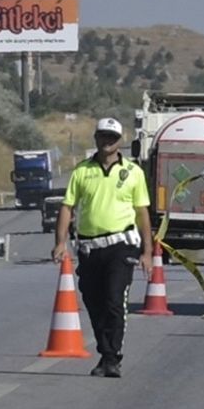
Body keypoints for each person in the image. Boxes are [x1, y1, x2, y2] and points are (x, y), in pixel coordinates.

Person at [51, 117, 153, 378]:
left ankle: (112, 356)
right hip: (90, 247)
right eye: (102, 136)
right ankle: (104, 351)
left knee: (114, 299)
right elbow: (67, 207)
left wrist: (147, 252)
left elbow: (142, 213)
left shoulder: (133, 172)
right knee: (93, 301)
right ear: (95, 138)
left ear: (120, 141)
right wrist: (60, 242)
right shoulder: (82, 171)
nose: (107, 141)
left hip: (121, 246)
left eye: (112, 137)